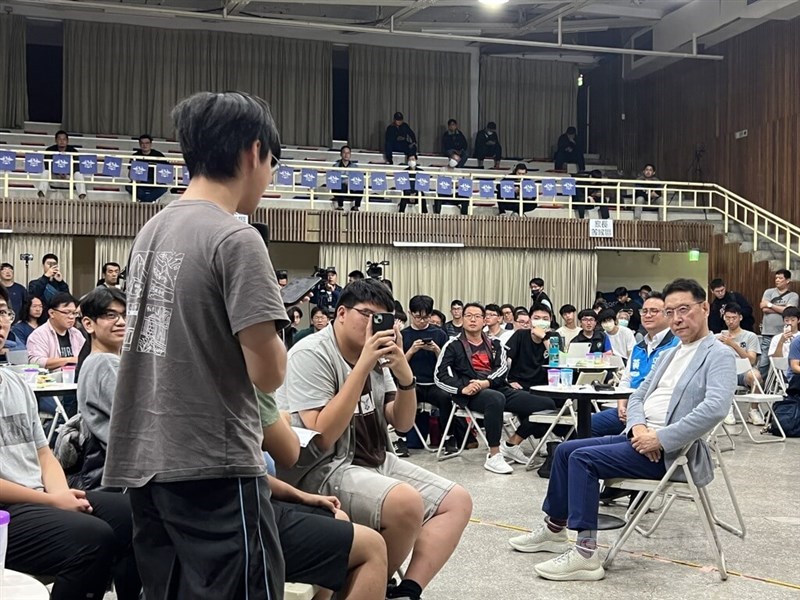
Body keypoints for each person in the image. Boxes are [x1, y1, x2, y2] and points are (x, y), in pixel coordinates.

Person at [102, 91, 290, 599]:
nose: (270, 178)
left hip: (146, 461)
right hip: (215, 463)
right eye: (272, 162)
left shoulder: (153, 229)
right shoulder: (236, 238)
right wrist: (278, 329)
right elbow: (268, 374)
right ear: (253, 152)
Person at [509, 278, 735, 581]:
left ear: (705, 307)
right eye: (671, 312)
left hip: (672, 453)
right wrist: (639, 427)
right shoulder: (670, 353)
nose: (678, 319)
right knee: (565, 450)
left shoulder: (717, 354)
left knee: (582, 459)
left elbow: (715, 408)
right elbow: (638, 395)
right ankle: (554, 530)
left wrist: (661, 439)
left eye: (684, 309)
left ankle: (586, 555)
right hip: (641, 437)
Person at [276, 279, 472, 600]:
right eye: (364, 314)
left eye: (381, 319)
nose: (372, 325)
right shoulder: (311, 354)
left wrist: (403, 372)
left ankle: (404, 591)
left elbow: (404, 423)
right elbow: (322, 435)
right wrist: (364, 363)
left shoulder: (382, 356)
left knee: (457, 501)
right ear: (341, 313)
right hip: (323, 467)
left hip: (373, 459)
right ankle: (368, 586)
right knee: (405, 502)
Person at [0, 284, 141, 599]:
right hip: (7, 509)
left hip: (35, 497)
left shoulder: (13, 381)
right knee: (94, 538)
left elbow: (44, 452)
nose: (1, 322)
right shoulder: (102, 363)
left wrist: (61, 494)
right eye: (110, 315)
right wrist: (53, 502)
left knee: (138, 515)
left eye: (3, 312)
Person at [435, 302, 560, 474]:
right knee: (495, 398)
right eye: (468, 316)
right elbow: (440, 375)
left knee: (546, 404)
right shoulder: (452, 345)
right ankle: (494, 455)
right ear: (462, 319)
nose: (473, 320)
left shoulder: (495, 344)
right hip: (470, 393)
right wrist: (460, 388)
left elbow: (502, 369)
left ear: (484, 320)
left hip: (496, 387)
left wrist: (486, 382)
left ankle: (512, 443)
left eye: (477, 316)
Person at [591, 292, 678, 437]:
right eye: (644, 311)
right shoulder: (638, 347)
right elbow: (626, 379)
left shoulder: (676, 345)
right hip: (630, 409)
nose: (647, 315)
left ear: (668, 314)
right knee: (587, 425)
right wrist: (621, 405)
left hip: (655, 414)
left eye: (654, 311)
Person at [399, 295, 460, 455]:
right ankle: (401, 439)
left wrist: (436, 350)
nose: (421, 321)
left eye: (425, 317)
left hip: (435, 384)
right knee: (403, 399)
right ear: (410, 313)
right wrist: (411, 350)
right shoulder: (403, 335)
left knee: (447, 398)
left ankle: (449, 438)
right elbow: (399, 364)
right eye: (417, 316)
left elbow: (447, 364)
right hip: (413, 384)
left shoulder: (440, 334)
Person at [718, 303, 763, 425]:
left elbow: (752, 360)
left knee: (756, 376)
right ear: (724, 317)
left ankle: (753, 411)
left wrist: (733, 344)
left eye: (734, 318)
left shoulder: (750, 336)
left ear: (740, 318)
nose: (731, 321)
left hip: (744, 371)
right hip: (725, 372)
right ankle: (728, 408)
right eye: (728, 318)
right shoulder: (718, 337)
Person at [506, 304, 560, 389]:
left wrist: (544, 338)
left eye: (545, 319)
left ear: (550, 320)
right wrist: (509, 381)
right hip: (520, 385)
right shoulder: (520, 334)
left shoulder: (554, 336)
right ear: (530, 320)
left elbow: (556, 360)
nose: (541, 321)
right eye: (536, 318)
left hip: (545, 386)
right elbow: (505, 358)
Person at [26, 292, 85, 370]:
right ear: (52, 313)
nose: (71, 317)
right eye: (66, 312)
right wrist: (70, 360)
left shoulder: (76, 333)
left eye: (74, 313)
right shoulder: (39, 335)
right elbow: (36, 362)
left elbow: (86, 356)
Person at [758, 269, 799, 380]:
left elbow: (789, 311)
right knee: (764, 363)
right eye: (776, 278)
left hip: (784, 333)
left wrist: (770, 305)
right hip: (767, 333)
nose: (777, 280)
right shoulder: (769, 292)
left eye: (780, 278)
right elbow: (763, 308)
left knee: (784, 361)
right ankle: (761, 387)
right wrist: (781, 309)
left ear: (788, 280)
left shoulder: (793, 295)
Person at [36, 130, 87, 200]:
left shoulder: (74, 152)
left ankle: (82, 198)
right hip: (55, 177)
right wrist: (58, 172)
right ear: (56, 140)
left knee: (78, 174)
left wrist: (66, 173)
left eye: (64, 139)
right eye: (59, 139)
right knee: (45, 172)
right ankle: (41, 195)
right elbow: (47, 165)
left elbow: (76, 166)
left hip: (68, 177)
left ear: (67, 141)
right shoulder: (49, 150)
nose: (62, 141)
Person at [126, 134, 168, 203]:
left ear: (151, 144)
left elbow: (165, 171)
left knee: (164, 188)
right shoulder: (135, 156)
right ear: (139, 144)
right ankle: (149, 201)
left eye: (147, 143)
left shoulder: (159, 155)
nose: (144, 145)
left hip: (155, 183)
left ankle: (144, 201)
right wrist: (134, 179)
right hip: (140, 183)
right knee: (129, 187)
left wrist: (159, 180)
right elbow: (130, 173)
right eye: (142, 143)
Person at [434, 150, 468, 215]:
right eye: (453, 159)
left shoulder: (459, 172)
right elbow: (442, 183)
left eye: (456, 160)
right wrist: (452, 184)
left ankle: (464, 217)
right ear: (450, 159)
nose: (454, 161)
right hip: (444, 193)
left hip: (455, 193)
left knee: (465, 198)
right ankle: (436, 216)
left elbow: (459, 184)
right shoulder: (442, 170)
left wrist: (451, 184)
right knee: (438, 197)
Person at [332, 145, 361, 211]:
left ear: (350, 155)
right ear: (341, 154)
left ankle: (356, 207)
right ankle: (340, 206)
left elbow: (357, 179)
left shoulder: (355, 167)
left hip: (351, 187)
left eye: (348, 153)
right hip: (340, 187)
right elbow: (334, 179)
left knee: (360, 187)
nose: (346, 155)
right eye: (344, 153)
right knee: (341, 186)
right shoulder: (335, 166)